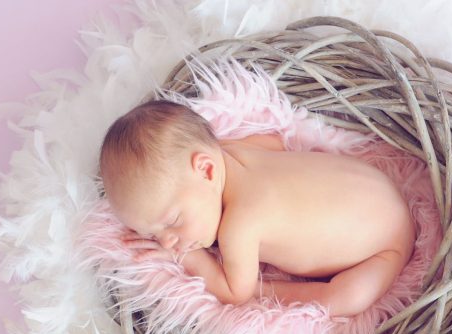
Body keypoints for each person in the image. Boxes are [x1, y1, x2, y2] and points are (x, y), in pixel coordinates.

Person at [99, 100, 416, 317]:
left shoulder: (239, 225)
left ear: (206, 170)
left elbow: (235, 292)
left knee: (346, 299)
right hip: (376, 183)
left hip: (385, 247)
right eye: (151, 234)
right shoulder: (231, 151)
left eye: (173, 221)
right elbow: (275, 143)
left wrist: (190, 257)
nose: (167, 241)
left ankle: (275, 290)